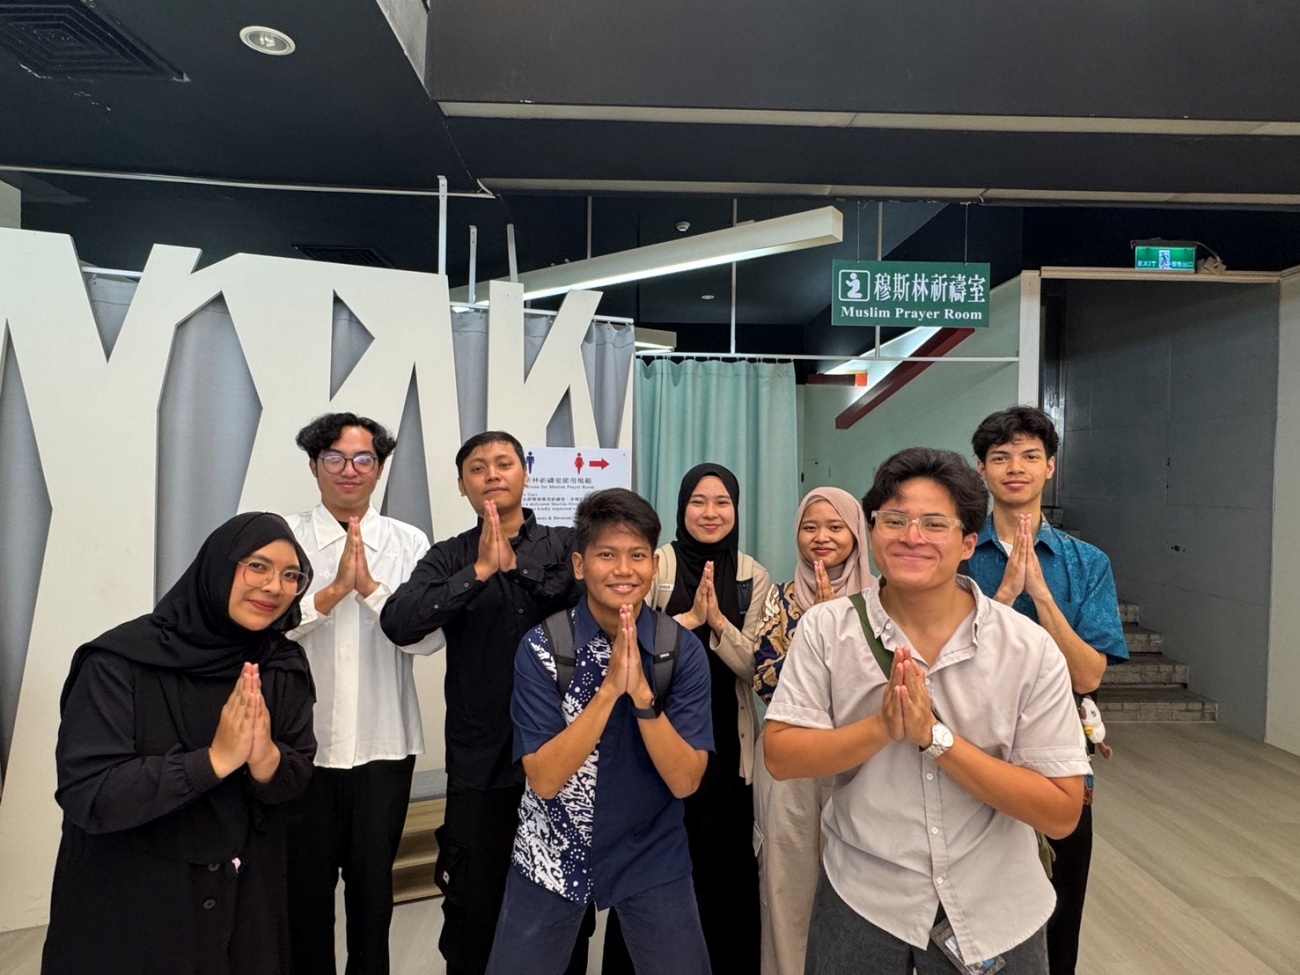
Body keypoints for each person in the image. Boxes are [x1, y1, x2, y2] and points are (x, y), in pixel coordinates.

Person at [765, 448, 1089, 975]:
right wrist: (881, 728)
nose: (911, 536)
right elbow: (781, 754)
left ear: (967, 543)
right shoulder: (827, 629)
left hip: (996, 906)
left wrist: (936, 738)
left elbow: (1060, 810)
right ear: (872, 533)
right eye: (894, 520)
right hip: (864, 900)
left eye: (934, 523)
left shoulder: (1026, 649)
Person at [41, 513, 317, 975]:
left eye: (291, 575)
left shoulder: (281, 663)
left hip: (242, 902)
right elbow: (89, 792)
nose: (274, 586)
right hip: (133, 904)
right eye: (258, 567)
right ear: (217, 568)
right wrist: (213, 761)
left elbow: (296, 779)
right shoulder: (118, 662)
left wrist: (266, 759)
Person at [380, 431, 586, 975]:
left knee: (563, 902)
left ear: (525, 472)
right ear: (462, 486)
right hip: (480, 760)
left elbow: (583, 600)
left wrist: (513, 568)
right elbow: (400, 621)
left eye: (503, 463)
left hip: (563, 752)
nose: (492, 474)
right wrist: (477, 573)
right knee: (474, 906)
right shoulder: (449, 555)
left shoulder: (567, 546)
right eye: (478, 468)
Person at [486, 488, 714, 975]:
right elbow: (544, 780)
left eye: (636, 556)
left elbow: (685, 781)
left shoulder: (679, 651)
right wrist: (609, 691)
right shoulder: (545, 647)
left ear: (654, 565)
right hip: (552, 846)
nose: (623, 570)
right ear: (579, 564)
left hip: (652, 849)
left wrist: (644, 700)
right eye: (606, 555)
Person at [966, 406, 1129, 975]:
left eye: (1030, 457)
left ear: (1050, 467)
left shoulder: (1087, 565)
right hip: (971, 753)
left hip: (1060, 763)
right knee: (966, 918)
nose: (1016, 468)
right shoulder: (956, 555)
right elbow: (946, 664)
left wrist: (1043, 594)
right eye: (1001, 457)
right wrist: (1007, 599)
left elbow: (1087, 676)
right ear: (981, 470)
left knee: (1059, 917)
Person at [284, 412, 445, 975]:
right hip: (303, 747)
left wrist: (373, 592)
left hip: (385, 742)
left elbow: (428, 640)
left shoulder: (408, 542)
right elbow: (262, 626)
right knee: (302, 894)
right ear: (313, 465)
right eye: (334, 458)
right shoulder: (284, 536)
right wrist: (330, 594)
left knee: (374, 891)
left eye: (363, 459)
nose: (349, 470)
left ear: (378, 469)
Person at [605, 463, 770, 974]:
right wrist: (689, 622)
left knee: (720, 861)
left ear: (736, 510)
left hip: (726, 738)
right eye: (699, 501)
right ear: (682, 508)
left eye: (722, 502)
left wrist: (718, 623)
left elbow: (756, 669)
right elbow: (625, 646)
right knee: (654, 859)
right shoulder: (657, 564)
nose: (711, 512)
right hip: (656, 735)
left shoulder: (750, 574)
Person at [752, 487, 874, 975]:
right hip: (792, 761)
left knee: (863, 886)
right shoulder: (779, 599)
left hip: (866, 759)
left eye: (834, 527)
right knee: (787, 885)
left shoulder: (884, 599)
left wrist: (837, 627)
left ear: (856, 533)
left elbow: (883, 691)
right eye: (810, 527)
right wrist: (814, 628)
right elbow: (767, 682)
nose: (821, 538)